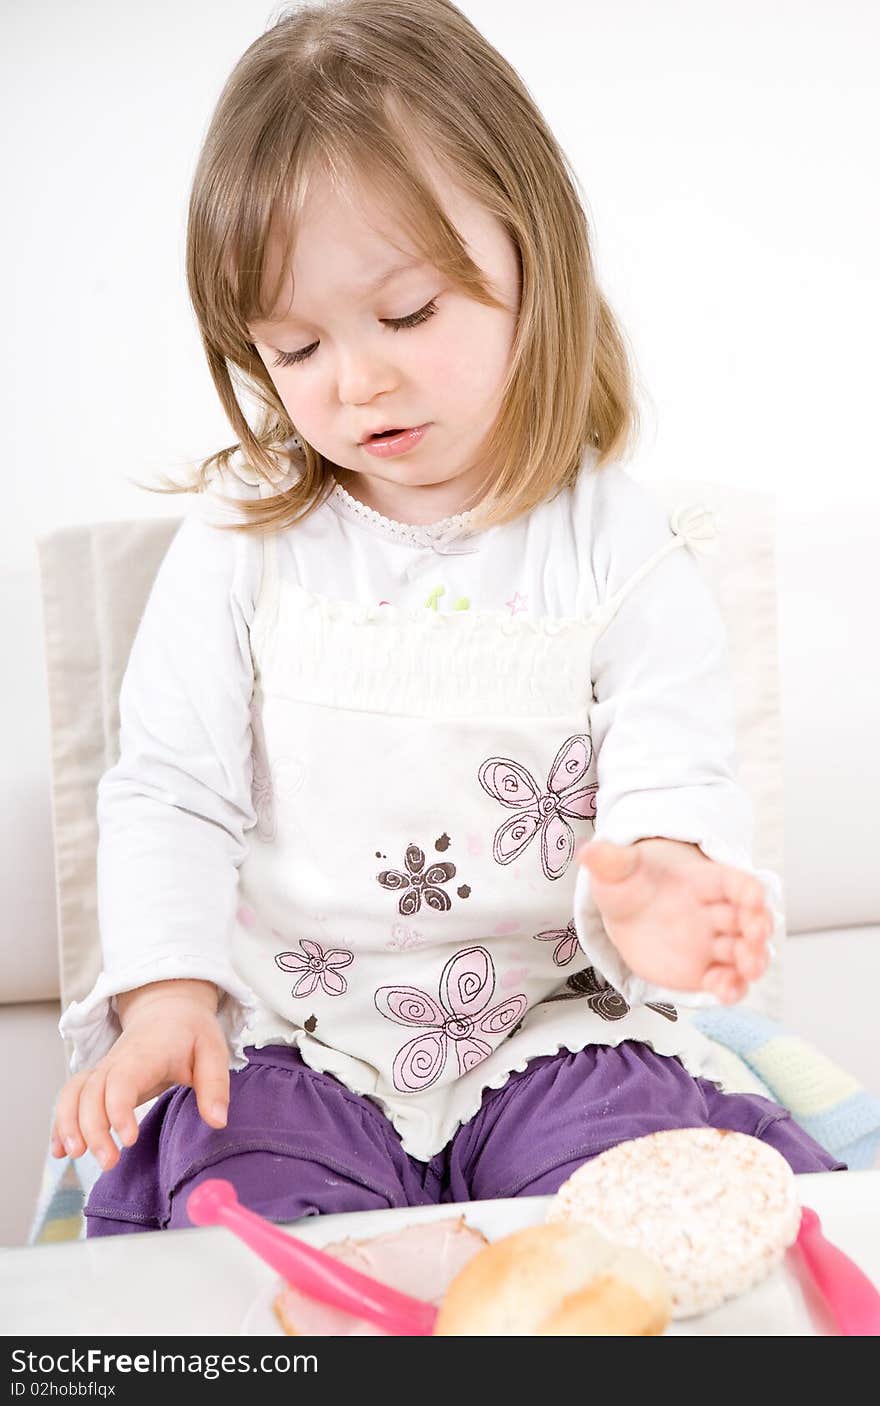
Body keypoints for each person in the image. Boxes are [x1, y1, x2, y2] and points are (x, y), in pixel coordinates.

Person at [51, 0, 842, 1236]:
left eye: (408, 313)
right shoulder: (241, 543)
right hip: (291, 1040)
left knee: (640, 1208)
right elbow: (170, 790)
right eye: (297, 346)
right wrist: (167, 996)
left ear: (534, 256)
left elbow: (671, 780)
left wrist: (665, 889)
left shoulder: (623, 548)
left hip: (547, 1022)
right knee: (242, 1222)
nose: (357, 380)